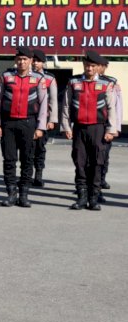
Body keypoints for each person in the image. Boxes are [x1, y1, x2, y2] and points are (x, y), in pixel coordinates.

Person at [61, 51, 119, 211]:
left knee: (96, 163)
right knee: (79, 163)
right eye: (87, 65)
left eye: (93, 66)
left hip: (98, 128)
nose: (89, 68)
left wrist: (111, 129)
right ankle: (81, 198)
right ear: (83, 65)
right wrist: (66, 126)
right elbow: (66, 106)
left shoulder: (107, 84)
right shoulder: (73, 82)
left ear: (98, 67)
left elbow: (111, 108)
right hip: (79, 128)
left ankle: (94, 199)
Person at [0, 47, 47, 207]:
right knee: (9, 160)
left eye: (25, 59)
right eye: (19, 59)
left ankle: (23, 194)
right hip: (8, 124)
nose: (22, 62)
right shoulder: (6, 77)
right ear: (16, 60)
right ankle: (11, 193)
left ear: (30, 61)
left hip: (29, 124)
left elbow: (43, 104)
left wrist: (40, 127)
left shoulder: (38, 79)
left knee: (27, 160)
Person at [30, 49, 58, 188]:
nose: (35, 63)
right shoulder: (24, 75)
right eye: (33, 61)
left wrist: (52, 120)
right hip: (27, 118)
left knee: (40, 148)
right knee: (27, 148)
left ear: (43, 63)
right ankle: (27, 175)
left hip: (42, 119)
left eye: (38, 61)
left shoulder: (49, 78)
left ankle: (38, 175)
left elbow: (52, 100)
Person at [97, 59, 122, 195]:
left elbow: (117, 106)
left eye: (100, 65)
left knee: (104, 155)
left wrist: (115, 127)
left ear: (105, 67)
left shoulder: (112, 82)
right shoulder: (85, 81)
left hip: (107, 125)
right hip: (93, 124)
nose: (98, 68)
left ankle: (101, 179)